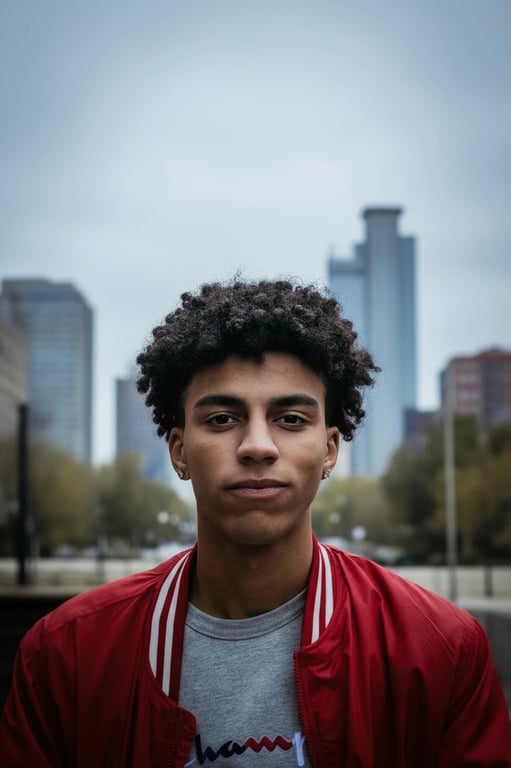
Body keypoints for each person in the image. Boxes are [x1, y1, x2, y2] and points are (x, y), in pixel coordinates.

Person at [1, 278, 510, 767]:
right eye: (222, 419)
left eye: (291, 419)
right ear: (179, 451)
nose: (258, 446)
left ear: (330, 450)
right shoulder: (64, 657)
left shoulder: (442, 649)